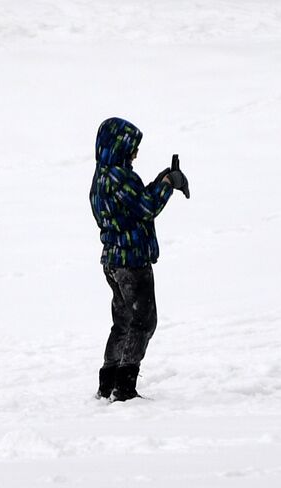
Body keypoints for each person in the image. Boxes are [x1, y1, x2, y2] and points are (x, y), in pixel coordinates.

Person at [90, 116, 190, 401]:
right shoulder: (120, 177)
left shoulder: (102, 176)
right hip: (131, 261)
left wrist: (158, 182)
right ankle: (124, 388)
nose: (135, 154)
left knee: (122, 321)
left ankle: (107, 382)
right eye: (131, 148)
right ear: (118, 147)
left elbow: (132, 205)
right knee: (143, 321)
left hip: (112, 260)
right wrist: (169, 184)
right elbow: (146, 207)